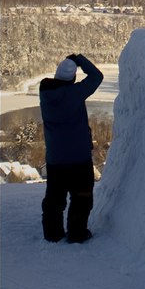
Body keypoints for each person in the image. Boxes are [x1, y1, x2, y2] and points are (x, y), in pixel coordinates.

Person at [39, 54, 104, 243]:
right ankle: (77, 233)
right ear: (73, 77)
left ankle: (52, 233)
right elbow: (97, 76)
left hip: (55, 159)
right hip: (79, 158)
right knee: (82, 198)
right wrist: (79, 59)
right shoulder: (76, 93)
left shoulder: (45, 93)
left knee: (54, 198)